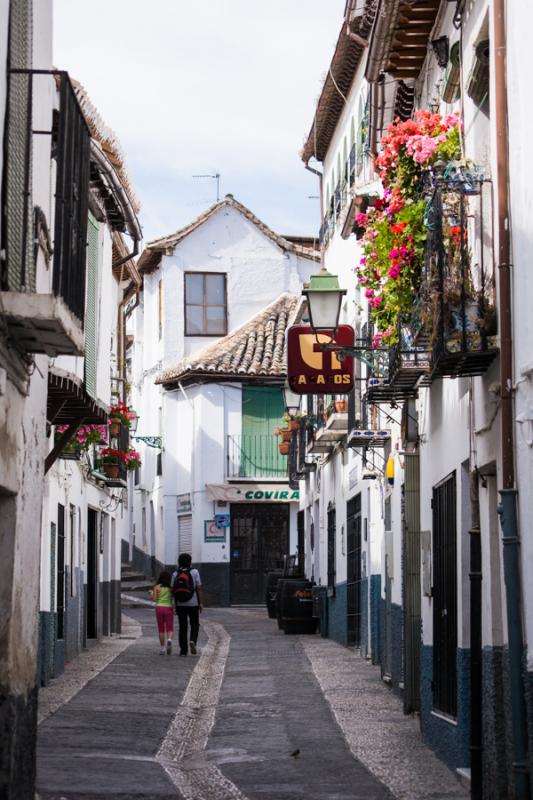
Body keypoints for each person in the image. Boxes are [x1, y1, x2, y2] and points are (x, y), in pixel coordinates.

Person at [171, 553, 203, 656]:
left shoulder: (175, 573)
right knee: (194, 624)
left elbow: (172, 590)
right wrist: (200, 602)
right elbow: (198, 587)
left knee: (183, 626)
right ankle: (193, 640)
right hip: (193, 603)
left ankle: (183, 650)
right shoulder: (195, 572)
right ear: (190, 562)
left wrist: (174, 605)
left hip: (180, 603)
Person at [150, 570, 174, 655]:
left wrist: (151, 593)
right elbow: (173, 599)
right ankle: (170, 640)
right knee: (170, 627)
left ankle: (162, 648)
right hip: (168, 608)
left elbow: (154, 599)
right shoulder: (171, 588)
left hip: (159, 608)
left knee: (161, 629)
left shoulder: (157, 587)